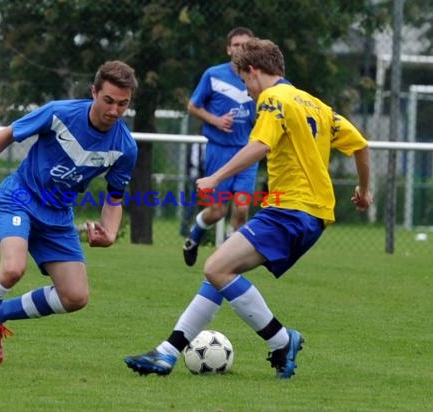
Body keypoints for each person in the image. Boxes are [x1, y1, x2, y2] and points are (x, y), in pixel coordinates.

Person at [124, 38, 372, 379]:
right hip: (311, 213)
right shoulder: (315, 104)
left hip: (290, 210)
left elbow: (260, 144)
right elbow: (361, 145)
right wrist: (364, 190)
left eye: (244, 82)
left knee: (216, 268)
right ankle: (167, 353)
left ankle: (282, 341)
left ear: (253, 71)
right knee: (221, 274)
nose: (247, 91)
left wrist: (216, 177)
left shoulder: (272, 98)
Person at [0, 60, 138, 368]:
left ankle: (0, 314)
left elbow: (114, 197)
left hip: (58, 214)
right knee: (12, 269)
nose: (115, 111)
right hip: (20, 197)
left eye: (123, 104)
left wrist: (110, 233)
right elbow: (8, 134)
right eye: (108, 101)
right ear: (94, 92)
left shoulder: (125, 147)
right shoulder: (60, 113)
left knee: (76, 297)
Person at [183, 26, 258, 267]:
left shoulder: (259, 78)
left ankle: (229, 258)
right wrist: (215, 120)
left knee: (242, 208)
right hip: (219, 150)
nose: (240, 49)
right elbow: (193, 106)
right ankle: (194, 237)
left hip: (247, 151)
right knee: (217, 211)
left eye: (245, 45)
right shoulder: (213, 75)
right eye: (236, 45)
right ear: (228, 49)